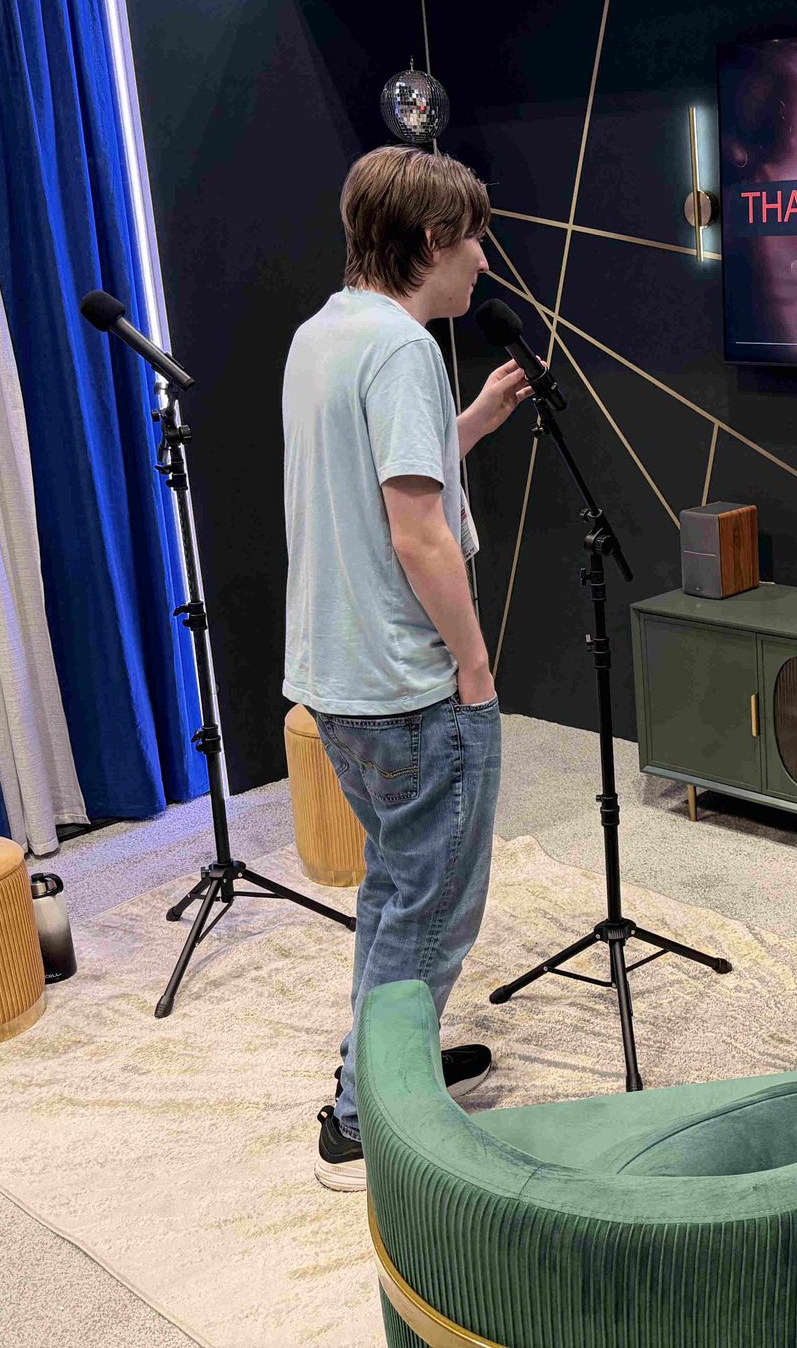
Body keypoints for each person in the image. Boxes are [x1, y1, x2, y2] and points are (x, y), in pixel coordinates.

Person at [280, 145, 532, 1191]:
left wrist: (465, 425)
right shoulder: (402, 349)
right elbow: (418, 533)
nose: (483, 261)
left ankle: (386, 1065)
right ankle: (364, 1118)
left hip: (337, 677)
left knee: (396, 884)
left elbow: (370, 477)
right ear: (432, 240)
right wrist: (475, 666)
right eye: (473, 239)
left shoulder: (323, 334)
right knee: (434, 906)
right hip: (406, 685)